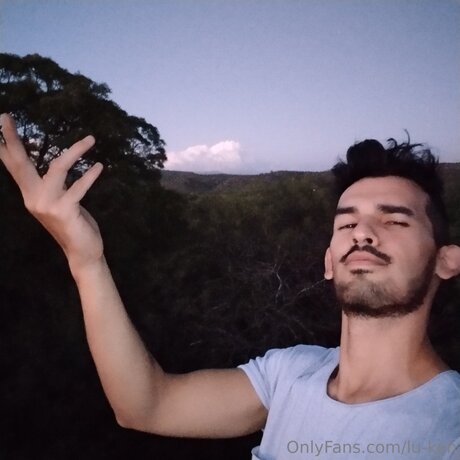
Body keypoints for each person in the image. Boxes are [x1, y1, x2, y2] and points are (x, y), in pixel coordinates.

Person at [1, 112, 459, 460]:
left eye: (395, 220)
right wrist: (86, 261)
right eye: (347, 223)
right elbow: (146, 405)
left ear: (446, 259)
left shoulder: (448, 429)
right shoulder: (287, 375)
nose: (363, 233)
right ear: (328, 262)